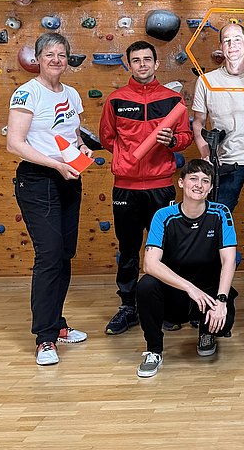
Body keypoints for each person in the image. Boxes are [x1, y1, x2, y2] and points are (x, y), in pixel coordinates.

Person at [6, 31, 91, 366]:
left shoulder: (70, 93)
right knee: (49, 255)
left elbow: (72, 133)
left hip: (69, 178)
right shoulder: (27, 93)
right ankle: (44, 338)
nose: (56, 60)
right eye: (50, 54)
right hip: (38, 180)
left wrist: (82, 148)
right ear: (38, 59)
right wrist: (55, 165)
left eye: (62, 54)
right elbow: (15, 143)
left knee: (64, 254)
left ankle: (58, 325)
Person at [98, 40, 193, 336]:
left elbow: (186, 136)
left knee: (165, 248)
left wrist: (172, 143)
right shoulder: (115, 100)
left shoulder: (172, 100)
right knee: (127, 249)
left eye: (147, 59)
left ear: (155, 63)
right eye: (136, 60)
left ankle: (167, 305)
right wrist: (126, 159)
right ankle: (128, 307)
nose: (142, 64)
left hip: (161, 186)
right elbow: (107, 138)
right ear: (129, 64)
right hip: (125, 188)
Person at [190, 21, 244, 296]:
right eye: (226, 41)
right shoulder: (206, 81)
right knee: (217, 226)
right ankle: (217, 292)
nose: (232, 45)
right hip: (226, 164)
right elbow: (198, 123)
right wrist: (204, 150)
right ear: (221, 47)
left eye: (237, 40)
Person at [134, 159, 238, 377]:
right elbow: (150, 264)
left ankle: (206, 333)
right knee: (146, 285)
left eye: (205, 180)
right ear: (181, 183)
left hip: (208, 290)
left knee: (225, 321)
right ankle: (154, 350)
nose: (198, 184)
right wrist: (189, 288)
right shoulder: (163, 215)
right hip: (177, 292)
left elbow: (228, 260)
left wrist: (221, 300)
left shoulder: (221, 213)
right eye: (193, 178)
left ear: (210, 188)